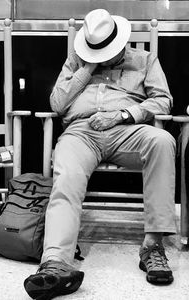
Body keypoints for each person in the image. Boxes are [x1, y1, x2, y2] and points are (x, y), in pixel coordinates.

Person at [24, 9, 176, 299]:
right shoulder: (76, 62)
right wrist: (87, 68)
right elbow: (57, 104)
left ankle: (152, 246)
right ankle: (55, 263)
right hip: (81, 133)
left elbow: (163, 101)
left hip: (126, 129)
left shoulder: (144, 60)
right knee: (67, 174)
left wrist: (122, 114)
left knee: (162, 141)